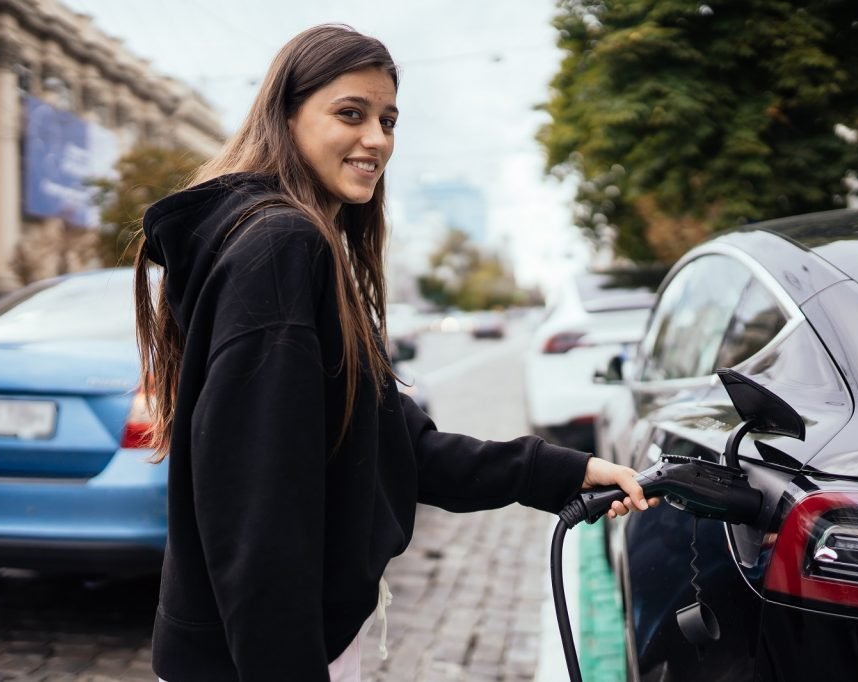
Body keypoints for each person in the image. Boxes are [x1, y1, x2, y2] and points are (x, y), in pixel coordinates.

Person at [134, 24, 654, 682]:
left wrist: (565, 472)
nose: (377, 140)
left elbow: (398, 448)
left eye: (388, 119)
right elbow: (256, 511)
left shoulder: (288, 241)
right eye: (350, 114)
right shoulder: (280, 246)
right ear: (286, 114)